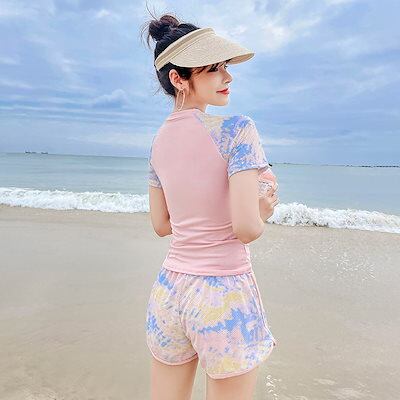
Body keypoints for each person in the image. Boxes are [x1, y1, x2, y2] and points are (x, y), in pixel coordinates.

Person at [140, 12, 280, 400]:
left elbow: (161, 224)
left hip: (170, 292)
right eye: (214, 69)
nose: (228, 77)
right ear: (178, 79)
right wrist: (262, 211)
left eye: (226, 67)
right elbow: (246, 229)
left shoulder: (157, 144)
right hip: (223, 295)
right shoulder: (237, 130)